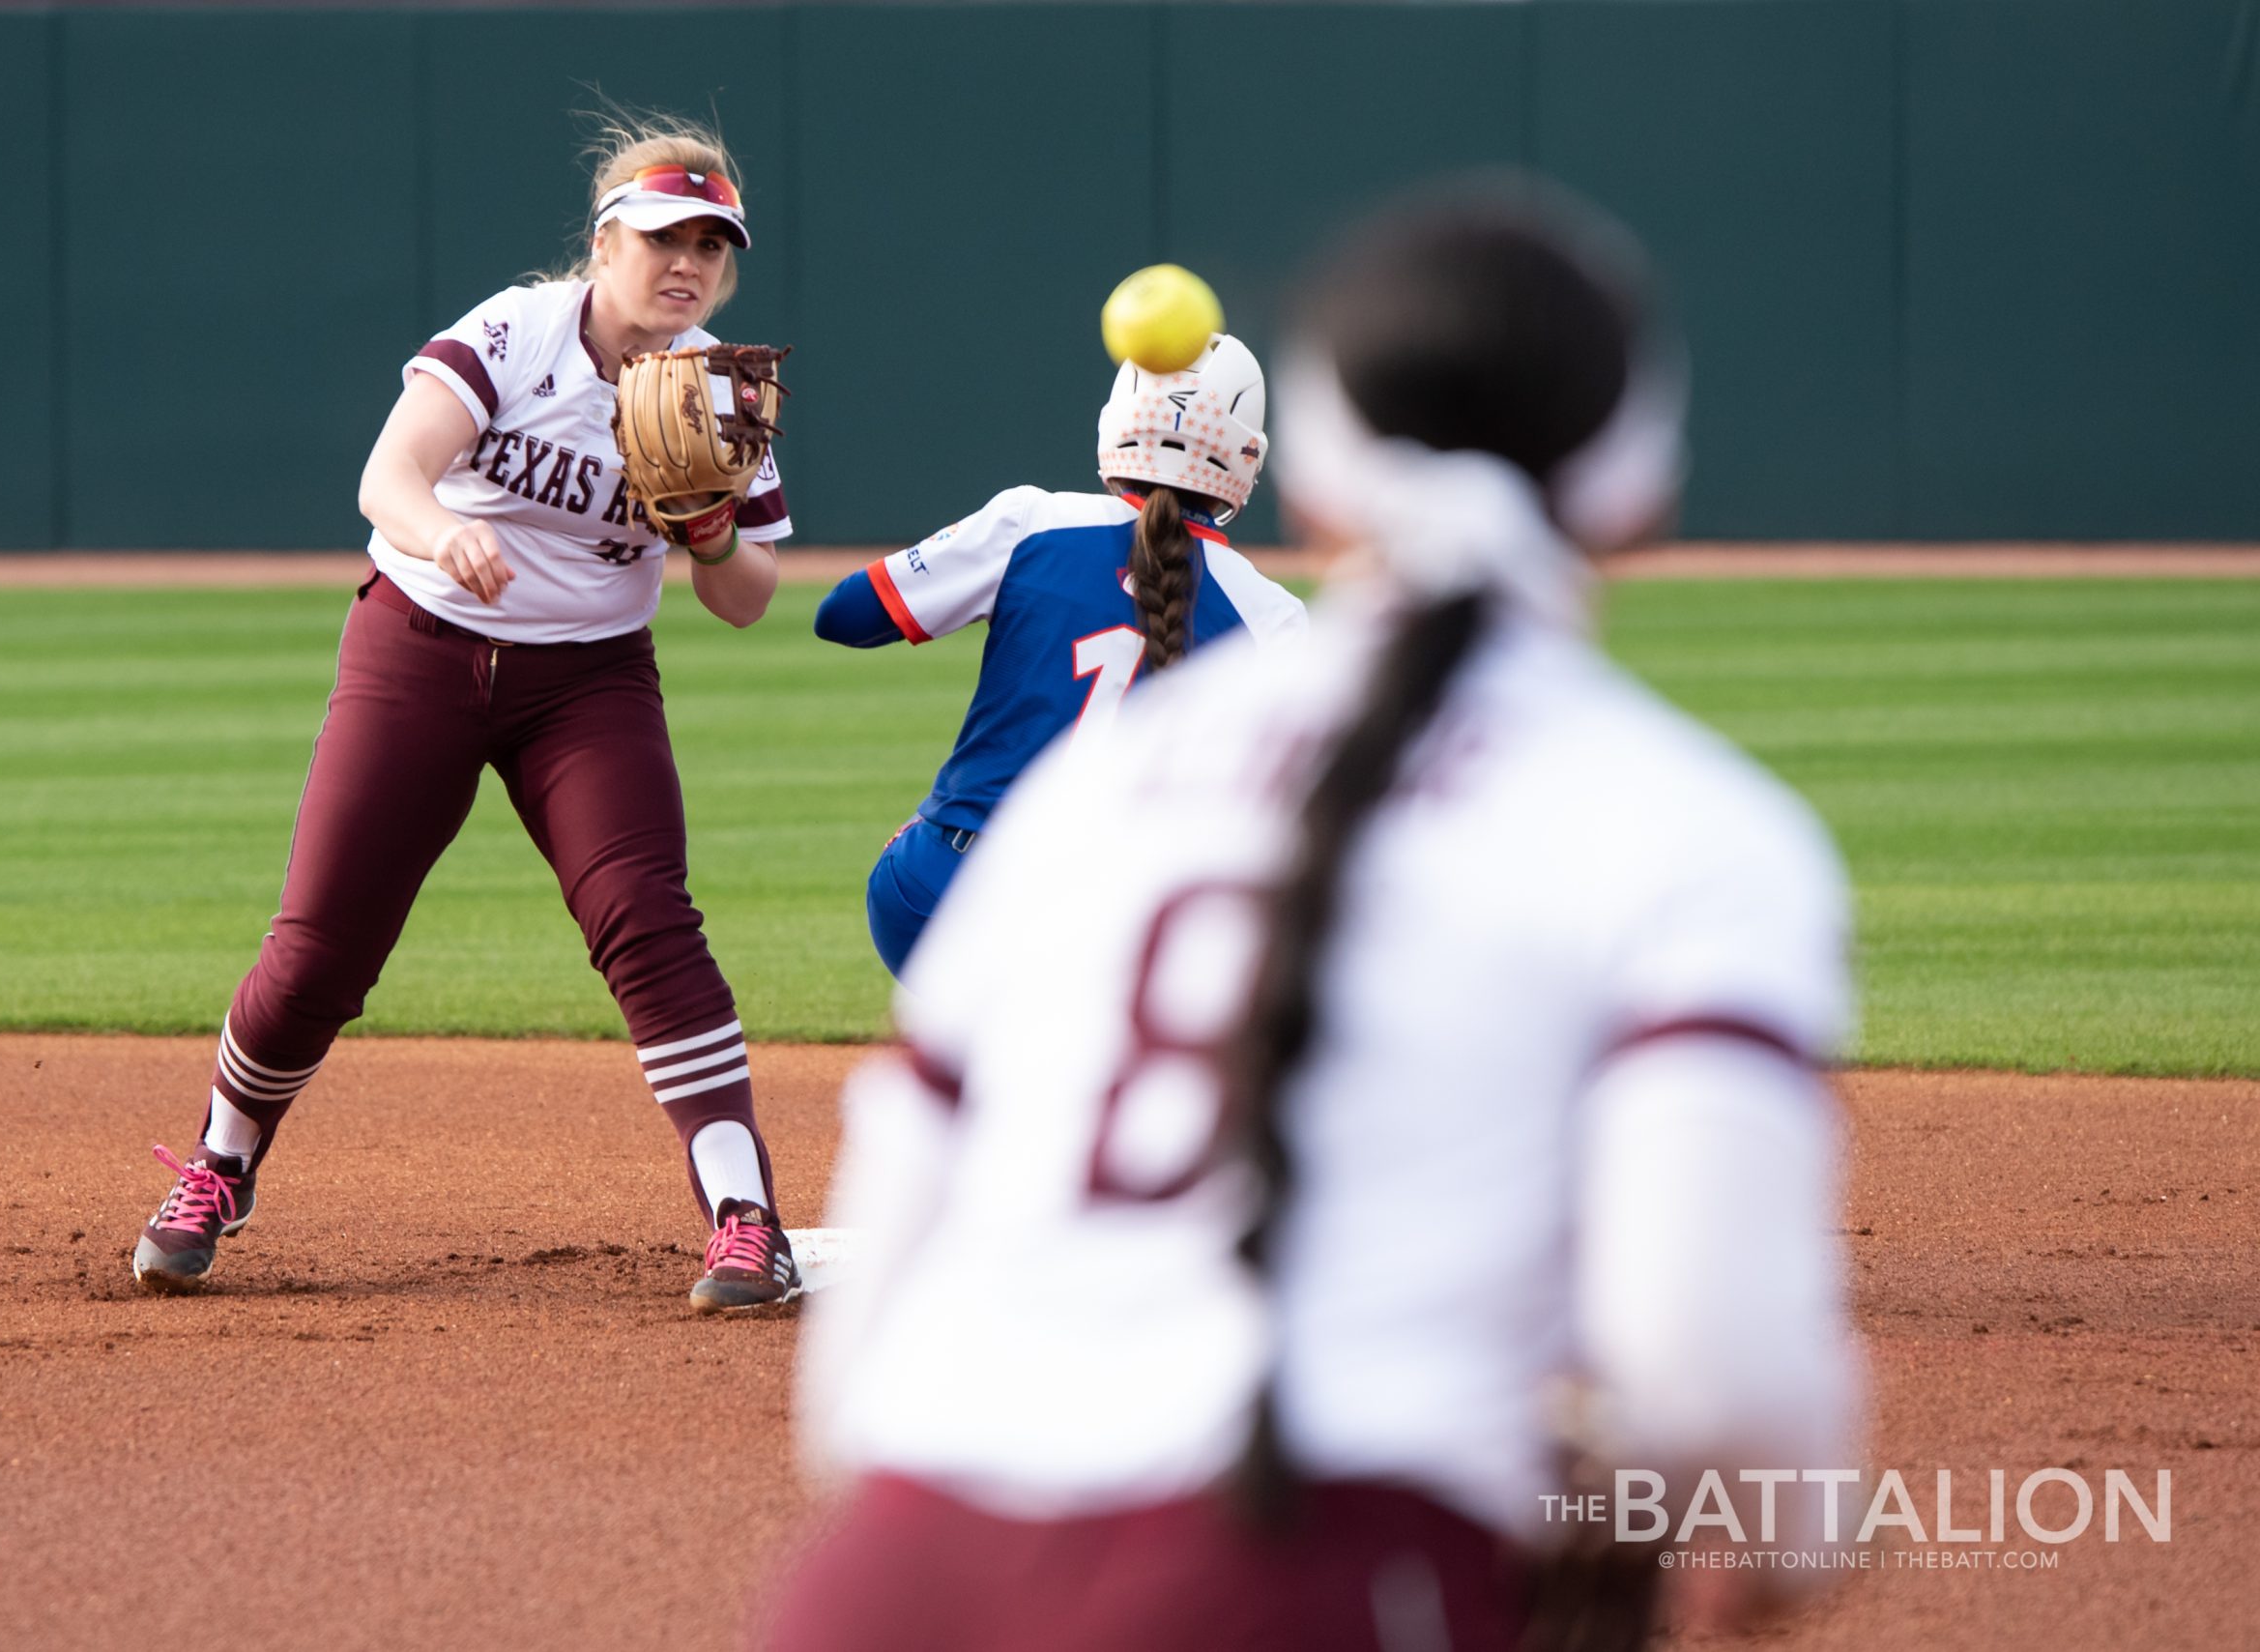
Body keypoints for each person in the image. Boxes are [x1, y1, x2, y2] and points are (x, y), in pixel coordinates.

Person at [772, 185, 1862, 1650]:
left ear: (1330, 487)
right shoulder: (1689, 824)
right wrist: (1771, 1549)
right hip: (1301, 1572)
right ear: (1638, 491)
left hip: (896, 1577)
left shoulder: (1105, 791)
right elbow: (1711, 1366)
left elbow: (856, 1380)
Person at [130, 115, 801, 1313]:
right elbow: (386, 477)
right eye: (662, 236)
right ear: (604, 244)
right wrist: (444, 529)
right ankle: (218, 1166)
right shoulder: (514, 331)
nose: (687, 260)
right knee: (322, 943)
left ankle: (746, 1219)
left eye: (712, 242)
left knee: (646, 919)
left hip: (588, 679)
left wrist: (706, 533)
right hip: (420, 650)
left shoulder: (720, 389)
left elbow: (746, 598)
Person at [811, 333, 1305, 977]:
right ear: (1245, 455)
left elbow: (843, 616)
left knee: (930, 858)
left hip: (939, 895)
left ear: (1118, 424)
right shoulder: (1273, 618)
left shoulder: (1033, 521)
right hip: (1109, 939)